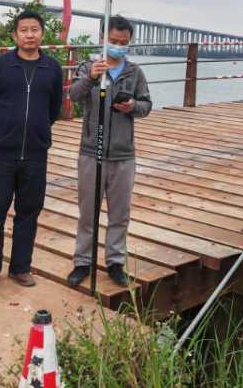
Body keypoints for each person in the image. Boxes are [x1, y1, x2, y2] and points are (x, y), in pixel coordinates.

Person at [0, 10, 64, 290]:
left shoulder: (52, 68)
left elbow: (54, 107)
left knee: (29, 213)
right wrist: (1, 129)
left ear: (42, 34)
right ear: (14, 35)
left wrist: (38, 129)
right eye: (23, 30)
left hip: (36, 154)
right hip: (1, 154)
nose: (29, 35)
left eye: (35, 29)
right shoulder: (1, 65)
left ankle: (20, 268)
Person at [67, 16, 151, 288]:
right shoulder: (87, 67)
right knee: (87, 212)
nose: (118, 46)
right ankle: (82, 261)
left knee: (120, 213)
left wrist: (132, 107)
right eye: (113, 41)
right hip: (91, 152)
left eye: (123, 42)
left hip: (123, 153)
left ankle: (115, 262)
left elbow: (146, 105)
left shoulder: (135, 72)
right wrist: (91, 77)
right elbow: (73, 96)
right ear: (103, 37)